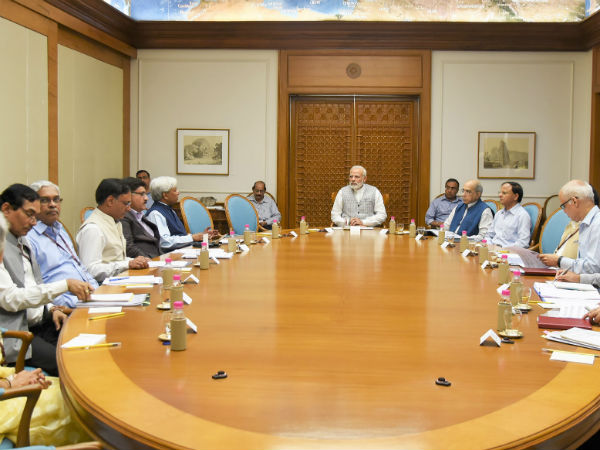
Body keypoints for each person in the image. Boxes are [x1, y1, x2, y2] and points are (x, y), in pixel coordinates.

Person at [0, 185, 92, 375]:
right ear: (6, 209)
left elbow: (34, 285)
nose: (34, 222)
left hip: (41, 321)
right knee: (71, 364)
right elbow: (11, 299)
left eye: (35, 216)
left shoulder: (22, 240)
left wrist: (51, 309)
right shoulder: (3, 243)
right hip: (16, 334)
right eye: (29, 214)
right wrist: (65, 285)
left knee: (89, 345)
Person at [27, 180, 99, 308]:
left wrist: (98, 292)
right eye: (44, 200)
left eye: (56, 199)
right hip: (67, 307)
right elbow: (38, 287)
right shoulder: (28, 238)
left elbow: (80, 267)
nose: (52, 205)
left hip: (90, 299)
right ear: (32, 205)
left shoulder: (60, 230)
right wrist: (77, 304)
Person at [77, 178, 149, 283]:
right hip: (103, 287)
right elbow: (90, 270)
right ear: (110, 201)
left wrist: (135, 261)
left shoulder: (115, 221)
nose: (129, 208)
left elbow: (116, 259)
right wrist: (127, 264)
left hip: (120, 280)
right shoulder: (93, 229)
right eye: (126, 203)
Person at [539, 180, 600, 274]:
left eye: (563, 206)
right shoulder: (585, 223)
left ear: (574, 201)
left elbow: (594, 269)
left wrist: (559, 261)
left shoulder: (597, 224)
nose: (563, 211)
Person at [146, 176, 217, 252]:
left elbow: (179, 235)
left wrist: (201, 236)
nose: (178, 192)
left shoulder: (169, 210)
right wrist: (192, 238)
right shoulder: (156, 214)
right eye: (175, 190)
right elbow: (165, 243)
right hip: (168, 256)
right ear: (165, 195)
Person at [120, 177, 161, 258]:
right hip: (146, 262)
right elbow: (128, 247)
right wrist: (150, 261)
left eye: (145, 194)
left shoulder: (140, 215)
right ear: (128, 195)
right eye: (142, 194)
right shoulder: (123, 217)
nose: (146, 198)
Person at [486, 181, 531, 248]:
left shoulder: (522, 215)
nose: (500, 195)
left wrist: (503, 250)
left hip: (509, 251)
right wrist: (489, 246)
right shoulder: (499, 214)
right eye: (500, 192)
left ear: (515, 196)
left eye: (504, 193)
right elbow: (489, 235)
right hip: (492, 249)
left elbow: (523, 243)